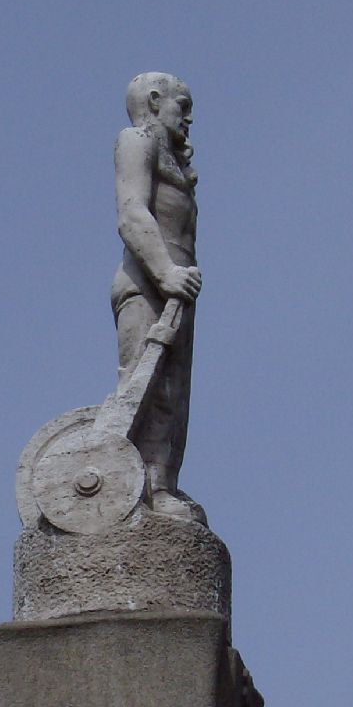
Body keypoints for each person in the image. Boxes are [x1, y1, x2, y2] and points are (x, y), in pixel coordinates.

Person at [111, 72, 204, 521]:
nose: (188, 117)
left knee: (175, 391)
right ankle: (141, 485)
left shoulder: (173, 158)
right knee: (147, 383)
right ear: (154, 100)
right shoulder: (136, 139)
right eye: (181, 106)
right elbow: (131, 213)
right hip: (150, 279)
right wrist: (165, 271)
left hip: (178, 285)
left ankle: (164, 482)